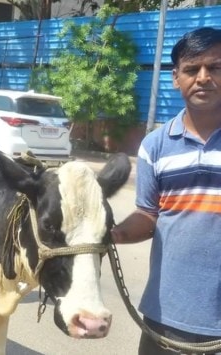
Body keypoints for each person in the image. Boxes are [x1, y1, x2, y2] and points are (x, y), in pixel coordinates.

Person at [111, 27, 221, 354]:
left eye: (215, 68)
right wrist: (111, 234)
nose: (203, 77)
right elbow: (148, 214)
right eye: (191, 69)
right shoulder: (155, 146)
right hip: (164, 319)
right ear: (175, 78)